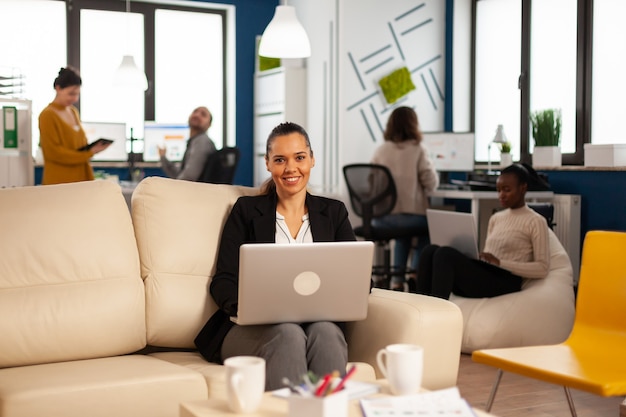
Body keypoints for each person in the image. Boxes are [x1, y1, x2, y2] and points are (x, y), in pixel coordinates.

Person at [194, 122, 355, 390]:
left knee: (326, 332)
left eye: (300, 158)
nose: (291, 168)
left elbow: (357, 277)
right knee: (289, 333)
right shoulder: (246, 211)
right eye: (280, 159)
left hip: (318, 325)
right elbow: (223, 280)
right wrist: (247, 309)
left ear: (312, 159)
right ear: (268, 164)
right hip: (251, 330)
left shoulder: (334, 213)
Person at [415, 163, 550, 299]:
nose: (501, 195)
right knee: (430, 251)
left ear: (523, 188)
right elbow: (489, 256)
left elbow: (542, 268)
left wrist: (500, 263)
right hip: (487, 275)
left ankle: (438, 314)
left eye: (507, 190)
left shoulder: (536, 221)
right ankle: (421, 308)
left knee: (445, 254)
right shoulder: (496, 218)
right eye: (498, 190)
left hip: (507, 281)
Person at [370, 106, 439, 289]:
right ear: (413, 125)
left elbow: (371, 184)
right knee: (429, 227)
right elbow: (431, 183)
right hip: (412, 217)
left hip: (383, 219)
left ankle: (397, 282)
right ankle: (416, 273)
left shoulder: (381, 151)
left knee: (403, 234)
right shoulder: (418, 150)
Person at [39, 67, 111, 185]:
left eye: (77, 94)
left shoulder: (73, 112)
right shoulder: (47, 115)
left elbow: (79, 145)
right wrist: (89, 153)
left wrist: (93, 149)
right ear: (58, 88)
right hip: (60, 182)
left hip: (80, 179)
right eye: (71, 93)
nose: (74, 98)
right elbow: (53, 153)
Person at [158, 106, 216, 181]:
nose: (197, 115)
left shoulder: (202, 141)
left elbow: (188, 177)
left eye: (203, 114)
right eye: (195, 111)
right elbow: (179, 174)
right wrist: (163, 157)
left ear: (209, 125)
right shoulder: (194, 142)